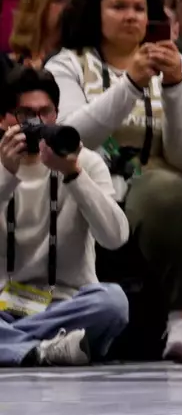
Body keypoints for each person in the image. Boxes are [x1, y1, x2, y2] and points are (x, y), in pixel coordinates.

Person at [47, 0, 182, 362]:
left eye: (139, 8)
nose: (131, 16)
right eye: (118, 6)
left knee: (165, 190)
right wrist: (131, 85)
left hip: (153, 180)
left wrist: (173, 88)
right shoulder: (66, 65)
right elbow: (71, 135)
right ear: (95, 12)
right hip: (85, 179)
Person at [0, 66, 130, 367]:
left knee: (113, 301)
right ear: (3, 118)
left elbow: (115, 238)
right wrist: (6, 175)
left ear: (56, 115)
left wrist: (73, 175)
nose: (36, 122)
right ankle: (43, 350)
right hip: (4, 305)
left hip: (67, 305)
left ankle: (15, 346)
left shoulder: (85, 162)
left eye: (45, 112)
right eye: (25, 114)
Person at [6, 0, 76, 69]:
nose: (71, 6)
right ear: (40, 5)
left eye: (75, 0)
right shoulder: (10, 66)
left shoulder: (83, 61)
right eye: (61, 0)